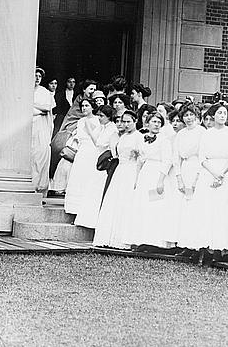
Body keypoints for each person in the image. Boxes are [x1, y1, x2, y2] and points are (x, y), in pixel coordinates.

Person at [196, 101, 228, 261]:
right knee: (207, 209)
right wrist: (214, 173)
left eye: (224, 114)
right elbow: (202, 156)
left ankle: (219, 249)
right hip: (208, 172)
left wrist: (221, 174)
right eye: (219, 113)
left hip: (225, 174)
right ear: (213, 115)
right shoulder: (206, 133)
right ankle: (204, 247)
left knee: (221, 211)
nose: (222, 116)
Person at [93, 111, 144, 249]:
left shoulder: (139, 137)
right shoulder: (122, 137)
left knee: (126, 202)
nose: (126, 125)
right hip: (120, 171)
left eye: (129, 121)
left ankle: (123, 239)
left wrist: (137, 177)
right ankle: (108, 237)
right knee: (114, 201)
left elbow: (141, 158)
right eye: (124, 122)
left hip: (131, 170)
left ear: (135, 121)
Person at [129, 108, 175, 249]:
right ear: (147, 123)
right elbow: (140, 160)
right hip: (145, 174)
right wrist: (137, 178)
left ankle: (155, 241)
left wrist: (160, 180)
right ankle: (142, 239)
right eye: (153, 122)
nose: (156, 124)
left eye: (159, 122)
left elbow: (167, 161)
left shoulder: (164, 140)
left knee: (155, 206)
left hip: (157, 174)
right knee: (142, 206)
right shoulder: (143, 139)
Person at [73, 104, 119, 230]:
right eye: (98, 115)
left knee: (98, 190)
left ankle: (96, 222)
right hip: (98, 161)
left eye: (102, 116)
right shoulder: (103, 128)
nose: (99, 118)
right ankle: (88, 220)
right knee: (92, 189)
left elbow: (114, 151)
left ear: (109, 117)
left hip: (105, 164)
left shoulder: (113, 130)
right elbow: (97, 142)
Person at [171, 103, 204, 251]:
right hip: (184, 169)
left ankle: (195, 245)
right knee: (181, 205)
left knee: (194, 206)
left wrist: (197, 179)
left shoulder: (202, 132)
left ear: (197, 116)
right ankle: (182, 243)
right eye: (186, 115)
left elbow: (203, 156)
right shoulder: (181, 134)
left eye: (191, 115)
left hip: (197, 168)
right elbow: (176, 157)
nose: (189, 118)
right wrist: (179, 178)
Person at [63, 96, 102, 217]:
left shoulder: (97, 120)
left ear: (92, 107)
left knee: (88, 178)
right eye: (83, 106)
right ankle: (74, 208)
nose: (84, 108)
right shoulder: (80, 121)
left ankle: (85, 208)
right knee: (78, 177)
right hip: (81, 151)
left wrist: (88, 126)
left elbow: (97, 139)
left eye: (87, 106)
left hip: (92, 151)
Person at [32, 67, 56, 194]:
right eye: (35, 75)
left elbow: (47, 108)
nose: (37, 78)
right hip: (30, 128)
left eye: (39, 76)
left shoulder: (44, 92)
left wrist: (32, 105)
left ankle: (39, 187)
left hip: (41, 128)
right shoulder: (26, 90)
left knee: (40, 156)